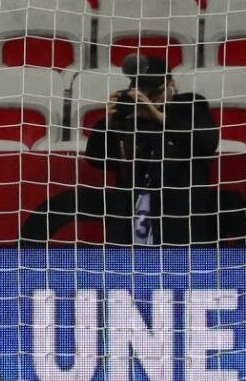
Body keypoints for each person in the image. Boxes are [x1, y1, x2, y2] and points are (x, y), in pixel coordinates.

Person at [84, 54, 220, 246]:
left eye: (154, 91)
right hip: (130, 216)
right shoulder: (128, 112)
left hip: (177, 218)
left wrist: (158, 116)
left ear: (171, 83)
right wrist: (109, 122)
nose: (148, 97)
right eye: (142, 89)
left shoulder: (191, 105)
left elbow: (206, 144)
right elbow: (95, 158)